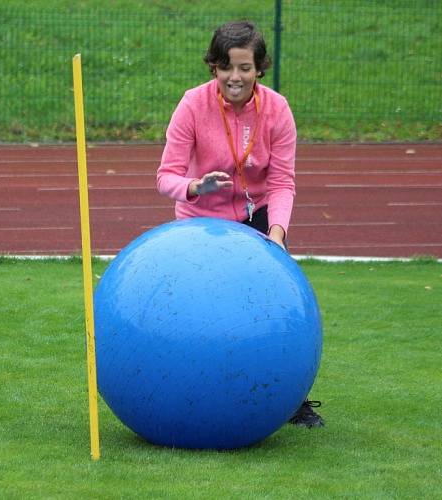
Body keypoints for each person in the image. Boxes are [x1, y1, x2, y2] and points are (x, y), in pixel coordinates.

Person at [156, 20, 324, 428]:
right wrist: (197, 185)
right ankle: (185, 388)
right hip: (201, 223)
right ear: (214, 66)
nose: (236, 77)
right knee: (200, 309)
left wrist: (277, 236)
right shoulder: (192, 105)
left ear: (259, 69)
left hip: (259, 218)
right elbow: (166, 177)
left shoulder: (277, 109)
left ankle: (291, 399)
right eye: (227, 66)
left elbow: (283, 182)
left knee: (274, 306)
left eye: (245, 67)